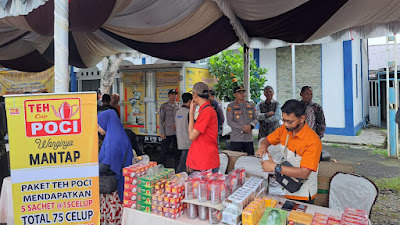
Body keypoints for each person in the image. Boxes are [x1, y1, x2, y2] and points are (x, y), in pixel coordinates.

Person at [257, 99, 322, 204]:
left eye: (290, 121)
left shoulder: (313, 141)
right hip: (287, 187)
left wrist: (274, 167)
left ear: (302, 119)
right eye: (284, 120)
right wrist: (262, 148)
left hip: (304, 194)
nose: (286, 124)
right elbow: (266, 140)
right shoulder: (284, 129)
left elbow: (304, 173)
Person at [98, 110, 133, 201]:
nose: (97, 129)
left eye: (98, 126)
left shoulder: (113, 140)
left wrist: (92, 171)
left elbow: (107, 163)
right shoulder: (117, 134)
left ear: (105, 123)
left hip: (117, 183)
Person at [187, 82, 219, 173]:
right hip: (203, 160)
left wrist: (191, 114)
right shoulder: (205, 110)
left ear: (195, 95)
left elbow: (192, 136)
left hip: (205, 162)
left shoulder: (206, 111)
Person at [226, 86, 258, 155]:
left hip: (248, 138)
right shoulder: (231, 106)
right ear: (234, 95)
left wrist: (251, 126)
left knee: (250, 159)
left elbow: (255, 118)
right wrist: (243, 128)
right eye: (239, 92)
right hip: (236, 138)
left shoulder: (250, 105)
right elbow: (230, 121)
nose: (242, 94)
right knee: (235, 160)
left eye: (243, 92)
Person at [159, 89, 180, 168]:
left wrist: (177, 125)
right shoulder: (164, 106)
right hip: (167, 132)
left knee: (177, 151)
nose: (173, 96)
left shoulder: (179, 106)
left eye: (175, 95)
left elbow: (181, 118)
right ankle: (161, 166)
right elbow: (161, 120)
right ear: (168, 96)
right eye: (172, 95)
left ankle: (177, 167)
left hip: (176, 132)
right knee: (164, 150)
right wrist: (162, 132)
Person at [176, 93, 193, 173]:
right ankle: (178, 175)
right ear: (190, 101)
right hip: (188, 141)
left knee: (184, 160)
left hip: (180, 140)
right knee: (184, 162)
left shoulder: (178, 112)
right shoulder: (189, 113)